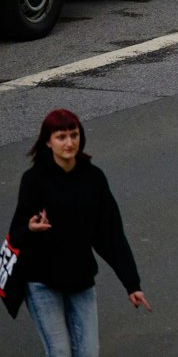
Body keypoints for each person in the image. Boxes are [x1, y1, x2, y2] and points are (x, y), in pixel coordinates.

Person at [9, 109, 149, 357]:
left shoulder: (93, 178)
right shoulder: (34, 180)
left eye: (74, 135)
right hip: (41, 282)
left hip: (80, 280)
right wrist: (30, 228)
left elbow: (111, 236)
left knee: (88, 352)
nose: (69, 142)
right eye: (61, 137)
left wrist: (132, 284)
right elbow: (16, 233)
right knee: (60, 351)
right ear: (47, 141)